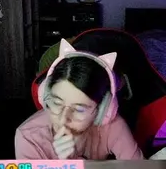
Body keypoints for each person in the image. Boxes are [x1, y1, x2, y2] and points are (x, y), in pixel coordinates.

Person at [14, 39, 144, 160]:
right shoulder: (28, 137)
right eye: (57, 103)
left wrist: (79, 165)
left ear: (103, 110)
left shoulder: (112, 126)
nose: (63, 119)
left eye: (79, 109)